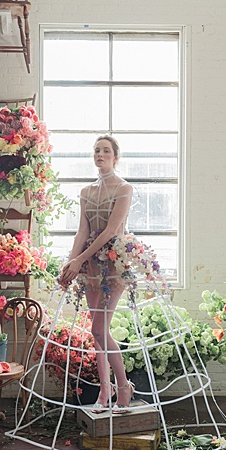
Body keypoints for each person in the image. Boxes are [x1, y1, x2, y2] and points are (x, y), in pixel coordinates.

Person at [58, 134, 136, 413]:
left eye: (105, 151)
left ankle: (123, 388)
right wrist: (70, 265)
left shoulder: (124, 188)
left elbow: (111, 230)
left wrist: (79, 259)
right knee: (97, 334)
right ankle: (105, 391)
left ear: (116, 157)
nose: (100, 154)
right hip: (89, 266)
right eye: (96, 151)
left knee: (99, 329)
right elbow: (83, 231)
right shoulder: (86, 192)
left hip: (114, 265)